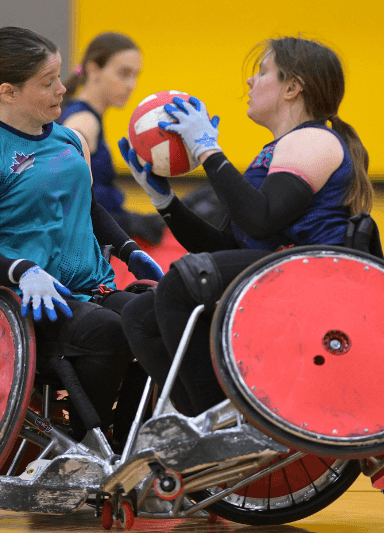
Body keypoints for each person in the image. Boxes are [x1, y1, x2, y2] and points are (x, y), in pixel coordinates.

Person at [0, 26, 163, 447]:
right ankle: (81, 443)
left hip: (90, 288)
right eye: (48, 83)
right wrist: (22, 270)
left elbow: (89, 208)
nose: (62, 89)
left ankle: (124, 451)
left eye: (59, 77)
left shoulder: (71, 140)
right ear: (9, 92)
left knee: (155, 320)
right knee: (108, 332)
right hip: (27, 307)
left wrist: (128, 249)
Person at [118, 36, 372, 416]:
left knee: (180, 283)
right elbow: (223, 246)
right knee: (140, 316)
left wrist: (207, 149)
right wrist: (164, 202)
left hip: (312, 285)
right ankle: (194, 418)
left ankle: (212, 422)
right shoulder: (281, 148)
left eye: (262, 71)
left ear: (292, 87)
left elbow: (261, 217)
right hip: (276, 275)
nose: (250, 83)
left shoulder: (315, 139)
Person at [59, 32, 165, 245]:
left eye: (136, 75)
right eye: (124, 73)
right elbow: (63, 161)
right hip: (94, 237)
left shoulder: (85, 113)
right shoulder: (84, 119)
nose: (132, 84)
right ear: (93, 69)